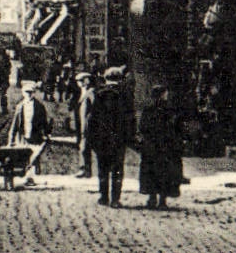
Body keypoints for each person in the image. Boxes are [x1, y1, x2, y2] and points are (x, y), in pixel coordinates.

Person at [85, 66, 134, 207]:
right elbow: (130, 119)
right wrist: (129, 137)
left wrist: (91, 138)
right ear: (120, 79)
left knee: (103, 168)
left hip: (102, 139)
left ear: (106, 79)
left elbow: (91, 118)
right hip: (118, 139)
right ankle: (115, 199)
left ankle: (103, 197)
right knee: (117, 169)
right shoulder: (125, 95)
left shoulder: (98, 94)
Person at [137, 84, 183, 209]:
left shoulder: (148, 109)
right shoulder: (170, 109)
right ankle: (162, 200)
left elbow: (142, 127)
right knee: (165, 173)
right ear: (163, 94)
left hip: (151, 146)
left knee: (151, 172)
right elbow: (176, 128)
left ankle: (152, 198)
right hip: (167, 146)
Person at [6, 78, 50, 186]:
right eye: (27, 92)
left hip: (35, 136)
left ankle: (30, 178)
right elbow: (15, 124)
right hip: (23, 136)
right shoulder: (20, 106)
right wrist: (11, 139)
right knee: (24, 157)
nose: (29, 94)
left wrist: (46, 133)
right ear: (23, 93)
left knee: (33, 158)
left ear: (34, 93)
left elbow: (44, 122)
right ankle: (26, 177)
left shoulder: (39, 106)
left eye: (31, 92)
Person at [75, 71, 95, 178]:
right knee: (82, 146)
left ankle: (85, 169)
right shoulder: (83, 92)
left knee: (84, 147)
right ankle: (85, 170)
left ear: (86, 81)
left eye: (80, 81)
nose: (78, 83)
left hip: (87, 125)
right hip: (82, 124)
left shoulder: (90, 92)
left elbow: (94, 108)